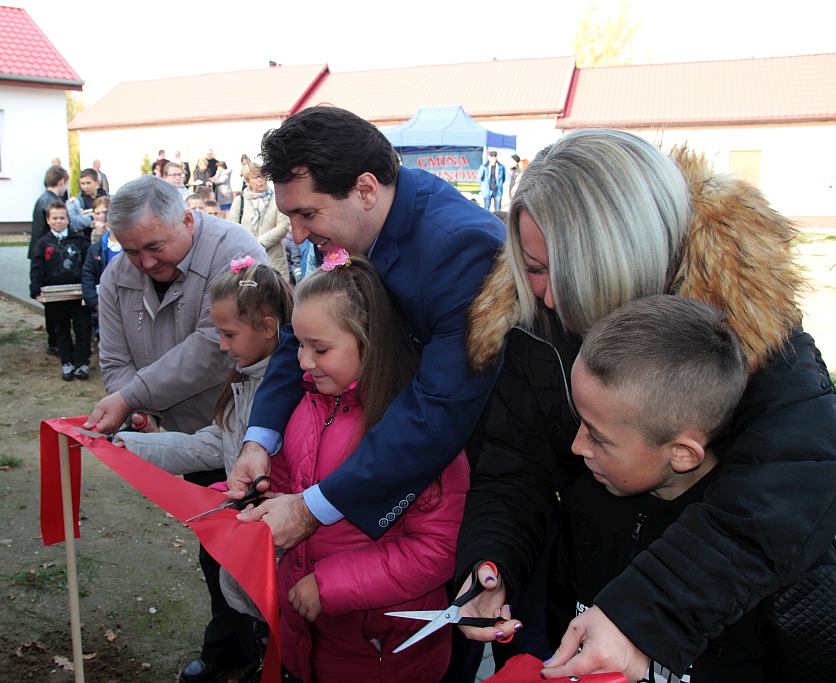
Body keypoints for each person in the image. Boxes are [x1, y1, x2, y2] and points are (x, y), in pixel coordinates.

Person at [455, 129, 836, 682]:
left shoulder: (755, 332)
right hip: (588, 600)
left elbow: (785, 491)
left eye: (566, 274)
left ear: (626, 256)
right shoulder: (536, 327)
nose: (549, 296)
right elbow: (515, 468)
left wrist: (644, 613)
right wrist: (491, 562)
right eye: (533, 268)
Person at [227, 106, 503, 553]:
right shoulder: (344, 229)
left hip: (461, 478)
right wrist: (259, 440)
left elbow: (439, 407)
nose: (296, 235)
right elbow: (302, 333)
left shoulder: (460, 249)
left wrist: (310, 508)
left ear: (365, 189)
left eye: (306, 215)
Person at [549, 294, 836, 681]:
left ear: (683, 454)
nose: (577, 446)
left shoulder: (783, 564)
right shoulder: (589, 498)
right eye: (579, 421)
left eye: (598, 437)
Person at [80, 175, 268, 683]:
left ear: (187, 219)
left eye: (154, 247)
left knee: (256, 546)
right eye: (130, 250)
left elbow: (211, 351)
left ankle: (255, 648)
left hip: (252, 432)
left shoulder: (236, 251)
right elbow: (116, 359)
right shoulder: (118, 275)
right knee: (214, 544)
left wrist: (131, 397)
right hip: (186, 435)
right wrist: (136, 412)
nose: (143, 263)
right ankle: (236, 647)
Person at [272, 252, 470, 682]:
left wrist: (328, 586)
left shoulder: (415, 434)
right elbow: (288, 485)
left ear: (369, 340)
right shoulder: (305, 405)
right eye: (300, 345)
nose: (303, 362)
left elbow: (435, 549)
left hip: (384, 652)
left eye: (319, 348)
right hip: (310, 638)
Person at [114, 260, 293, 679]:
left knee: (280, 621)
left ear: (268, 328)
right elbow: (208, 445)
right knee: (254, 615)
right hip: (248, 544)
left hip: (276, 548)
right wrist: (131, 445)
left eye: (229, 334)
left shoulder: (289, 395)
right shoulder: (242, 385)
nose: (220, 345)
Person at [30, 202, 91, 381]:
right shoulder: (42, 243)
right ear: (48, 220)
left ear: (68, 219)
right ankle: (67, 362)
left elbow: (88, 267)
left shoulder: (80, 241)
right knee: (60, 329)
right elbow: (37, 268)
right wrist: (36, 290)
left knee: (83, 329)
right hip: (55, 296)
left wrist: (89, 289)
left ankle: (82, 363)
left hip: (78, 295)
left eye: (62, 218)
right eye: (55, 218)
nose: (59, 221)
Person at [30, 165, 71, 356]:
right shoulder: (51, 201)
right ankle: (54, 341)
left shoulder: (42, 199)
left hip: (47, 253)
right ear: (61, 182)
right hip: (48, 255)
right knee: (52, 307)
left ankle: (55, 339)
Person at [228, 162, 292, 279]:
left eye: (263, 176)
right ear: (248, 181)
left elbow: (283, 225)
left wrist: (260, 243)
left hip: (274, 258)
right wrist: (250, 244)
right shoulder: (240, 200)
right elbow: (233, 227)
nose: (261, 180)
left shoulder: (277, 199)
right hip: (247, 258)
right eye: (256, 177)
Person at [81, 197, 121, 340]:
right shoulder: (96, 250)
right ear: (107, 225)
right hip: (104, 304)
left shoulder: (132, 249)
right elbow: (87, 277)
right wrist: (95, 303)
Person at [68, 168, 110, 237]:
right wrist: (91, 218)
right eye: (82, 184)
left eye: (88, 183)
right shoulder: (77, 202)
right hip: (86, 237)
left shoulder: (109, 198)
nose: (85, 187)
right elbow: (71, 221)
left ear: (97, 182)